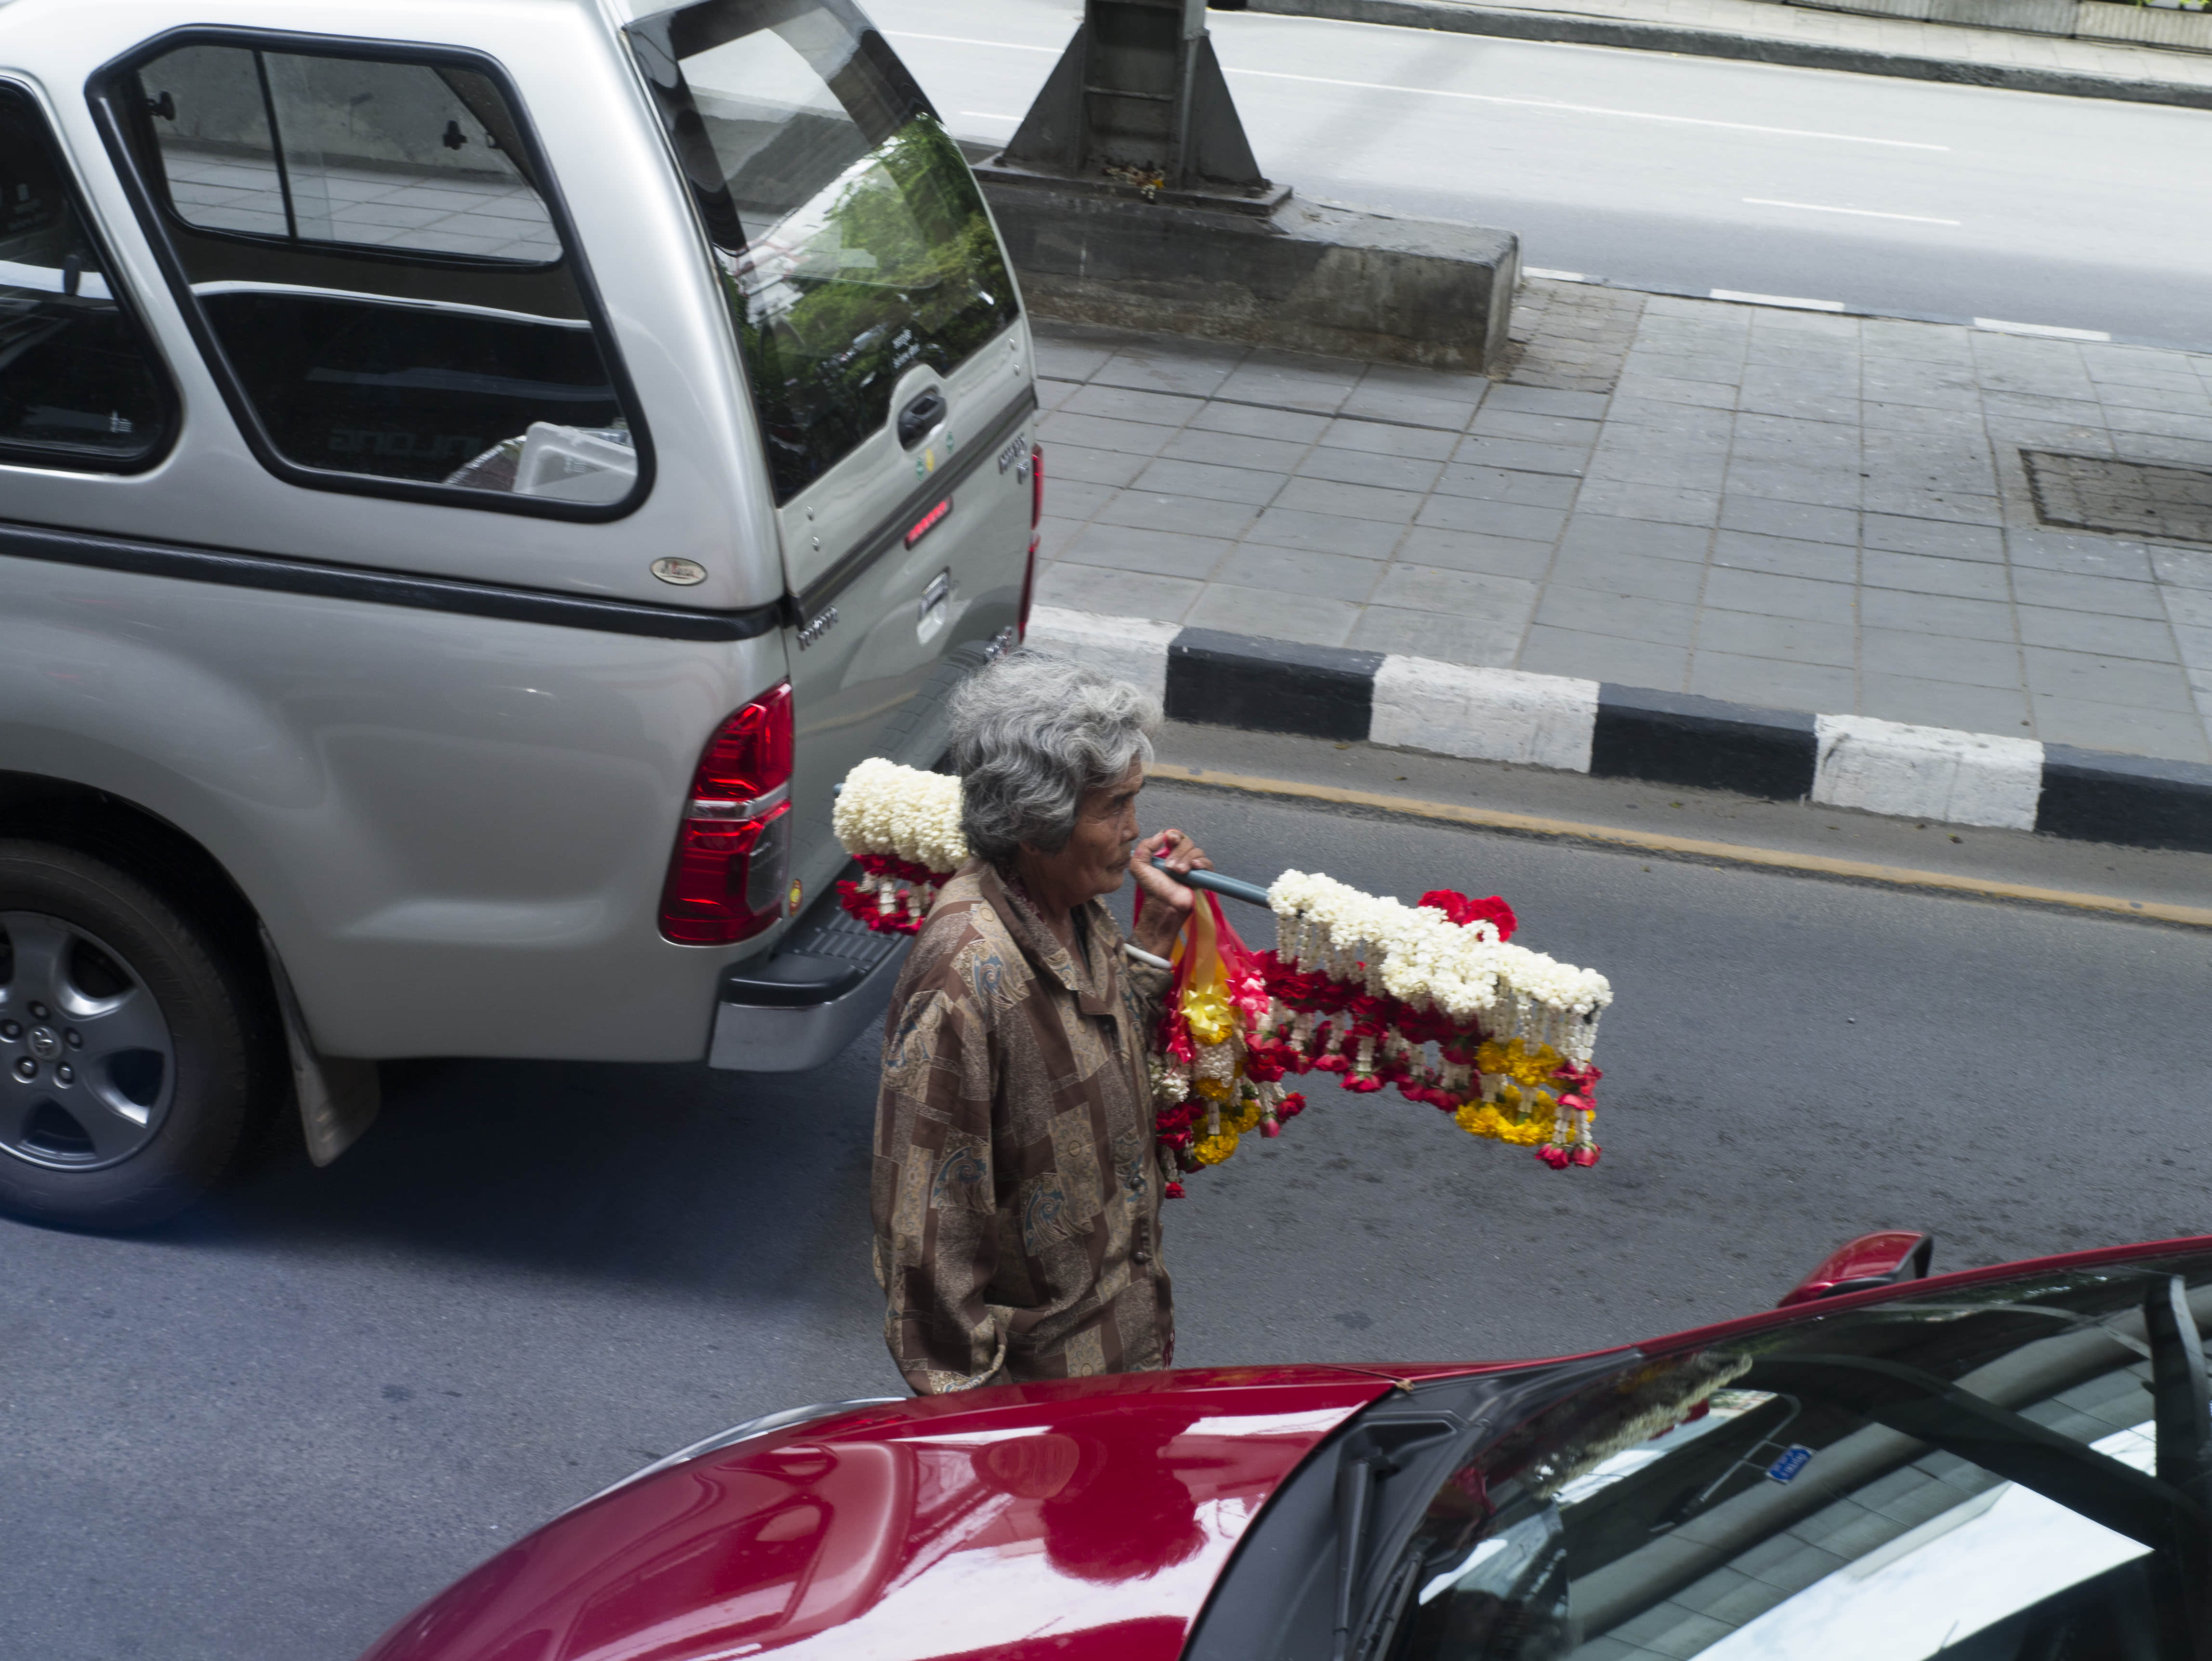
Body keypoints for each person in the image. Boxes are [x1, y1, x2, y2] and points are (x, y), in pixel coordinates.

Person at [871, 651, 1211, 1395]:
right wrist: (981, 1438)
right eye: (1113, 807)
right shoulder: (965, 978)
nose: (1134, 829)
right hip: (1041, 1409)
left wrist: (1151, 941)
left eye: (1134, 799)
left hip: (1124, 1354)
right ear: (1035, 823)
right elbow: (928, 1246)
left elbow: (1098, 1060)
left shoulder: (1078, 909)